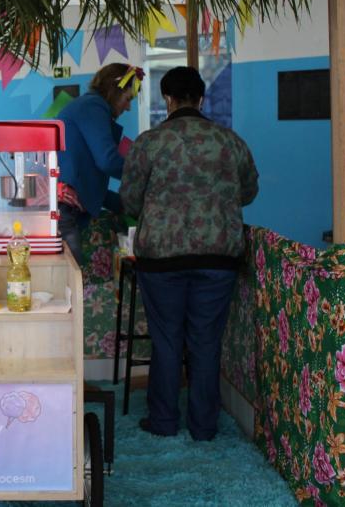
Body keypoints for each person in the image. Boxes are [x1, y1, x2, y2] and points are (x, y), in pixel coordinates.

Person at [119, 66, 258, 441]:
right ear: (200, 98)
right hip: (218, 258)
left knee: (166, 340)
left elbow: (129, 200)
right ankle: (204, 426)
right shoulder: (229, 141)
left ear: (167, 99)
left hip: (161, 259)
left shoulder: (149, 142)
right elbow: (248, 192)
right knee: (206, 342)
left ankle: (163, 421)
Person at [56, 63, 141, 265]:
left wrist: (127, 204)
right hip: (63, 209)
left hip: (65, 208)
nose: (128, 107)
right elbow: (108, 160)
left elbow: (90, 185)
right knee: (72, 276)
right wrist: (144, 174)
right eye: (127, 99)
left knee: (72, 275)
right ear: (114, 91)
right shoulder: (93, 106)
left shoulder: (88, 106)